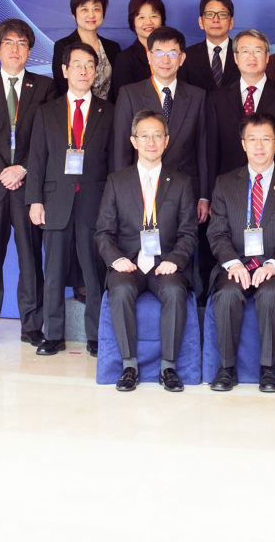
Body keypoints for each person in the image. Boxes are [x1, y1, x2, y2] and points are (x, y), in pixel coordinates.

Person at [205, 113, 275, 392]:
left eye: (266, 139)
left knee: (271, 293)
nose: (259, 146)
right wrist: (232, 264)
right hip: (237, 263)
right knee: (227, 293)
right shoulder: (225, 183)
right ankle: (226, 369)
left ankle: (268, 370)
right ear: (243, 144)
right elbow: (217, 233)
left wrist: (274, 265)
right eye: (253, 139)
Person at [95, 109, 199, 391]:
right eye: (144, 136)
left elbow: (189, 231)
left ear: (166, 140)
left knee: (176, 291)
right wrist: (116, 259)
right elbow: (103, 231)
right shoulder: (118, 181)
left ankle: (169, 368)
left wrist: (176, 260)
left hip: (164, 263)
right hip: (128, 262)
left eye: (157, 136)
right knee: (122, 289)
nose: (151, 142)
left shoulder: (181, 182)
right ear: (133, 140)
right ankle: (129, 366)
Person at [0, 19, 52, 348]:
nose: (15, 49)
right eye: (9, 43)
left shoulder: (44, 88)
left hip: (29, 186)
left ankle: (32, 325)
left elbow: (47, 137)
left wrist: (23, 169)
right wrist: (3, 170)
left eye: (22, 44)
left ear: (29, 50)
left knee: (30, 256)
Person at [25, 42, 113, 355]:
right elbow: (36, 159)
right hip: (54, 202)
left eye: (90, 65)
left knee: (93, 270)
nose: (83, 71)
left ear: (96, 71)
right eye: (77, 64)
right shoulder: (47, 112)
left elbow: (115, 162)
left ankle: (95, 335)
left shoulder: (108, 111)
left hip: (94, 202)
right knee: (55, 271)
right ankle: (54, 335)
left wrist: (111, 205)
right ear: (64, 71)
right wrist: (35, 200)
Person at [111, 28, 211, 290]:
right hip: (140, 189)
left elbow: (203, 147)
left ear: (182, 58)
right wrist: (122, 193)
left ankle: (187, 289)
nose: (165, 59)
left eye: (172, 53)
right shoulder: (130, 93)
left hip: (183, 192)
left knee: (182, 249)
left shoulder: (197, 95)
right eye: (159, 52)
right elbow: (122, 147)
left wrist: (203, 195)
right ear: (149, 56)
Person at [209, 29, 275, 176]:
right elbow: (212, 150)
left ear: (267, 57)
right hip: (228, 185)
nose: (251, 57)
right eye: (245, 51)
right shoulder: (216, 99)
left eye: (258, 51)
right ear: (236, 58)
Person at [51, 0, 121, 102]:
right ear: (74, 15)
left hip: (109, 114)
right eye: (84, 9)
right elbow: (62, 87)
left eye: (96, 9)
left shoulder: (113, 47)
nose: (91, 15)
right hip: (76, 112)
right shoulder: (62, 46)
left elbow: (117, 88)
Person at [180, 0, 238, 93]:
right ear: (201, 22)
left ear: (231, 22)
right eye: (210, 14)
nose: (216, 20)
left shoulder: (242, 53)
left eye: (222, 15)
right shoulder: (187, 56)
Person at [111, 0, 164, 92]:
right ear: (133, 22)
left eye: (153, 16)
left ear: (162, 19)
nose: (148, 22)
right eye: (141, 17)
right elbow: (123, 99)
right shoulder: (124, 59)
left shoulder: (172, 54)